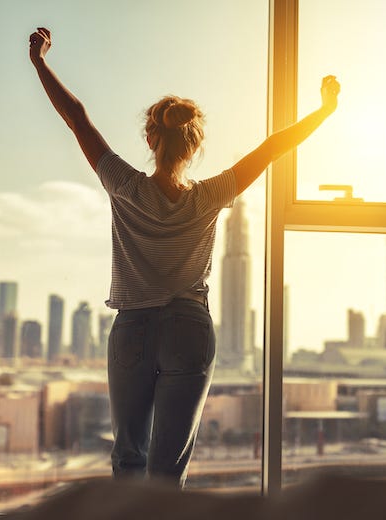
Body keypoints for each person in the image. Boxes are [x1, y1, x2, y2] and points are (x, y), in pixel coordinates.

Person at [28, 26, 339, 487]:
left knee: (128, 456)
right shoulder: (211, 195)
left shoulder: (125, 185)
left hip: (133, 327)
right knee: (167, 472)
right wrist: (324, 111)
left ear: (151, 140)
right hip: (188, 328)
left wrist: (40, 61)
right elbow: (273, 147)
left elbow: (77, 118)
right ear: (194, 146)